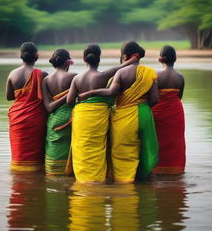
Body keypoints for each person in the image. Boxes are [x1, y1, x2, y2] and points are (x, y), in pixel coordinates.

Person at [79, 41, 159, 183]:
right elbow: (154, 99)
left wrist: (90, 92)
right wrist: (141, 107)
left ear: (124, 56)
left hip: (126, 117)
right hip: (145, 114)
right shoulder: (150, 72)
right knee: (146, 149)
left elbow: (111, 92)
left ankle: (126, 186)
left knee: (123, 154)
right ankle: (145, 181)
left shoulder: (121, 72)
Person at [66, 44, 140, 183]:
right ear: (99, 58)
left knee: (82, 148)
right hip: (100, 115)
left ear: (84, 59)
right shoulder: (103, 75)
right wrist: (134, 58)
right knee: (98, 148)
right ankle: (98, 179)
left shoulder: (77, 79)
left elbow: (70, 101)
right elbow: (120, 67)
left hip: (82, 116)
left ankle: (83, 180)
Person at [6, 42, 48, 171]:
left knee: (19, 153)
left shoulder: (13, 74)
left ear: (21, 56)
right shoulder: (42, 75)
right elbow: (49, 97)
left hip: (17, 118)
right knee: (36, 157)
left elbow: (9, 97)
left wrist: (23, 95)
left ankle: (19, 174)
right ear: (36, 56)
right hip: (35, 118)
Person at [42, 49, 77, 175]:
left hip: (54, 120)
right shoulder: (74, 77)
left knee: (54, 149)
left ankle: (53, 173)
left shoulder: (46, 80)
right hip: (70, 119)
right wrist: (69, 94)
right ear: (68, 63)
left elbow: (49, 107)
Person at [152, 45, 186, 174]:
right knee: (175, 143)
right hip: (176, 112)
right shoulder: (180, 77)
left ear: (160, 59)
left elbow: (153, 97)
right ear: (175, 59)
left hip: (158, 112)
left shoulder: (155, 75)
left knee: (157, 142)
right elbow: (179, 96)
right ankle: (175, 171)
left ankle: (156, 170)